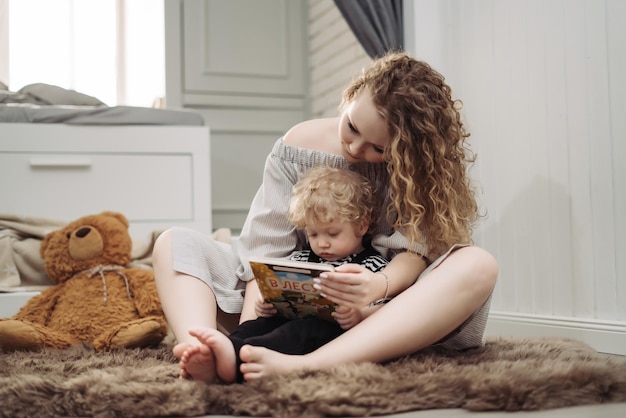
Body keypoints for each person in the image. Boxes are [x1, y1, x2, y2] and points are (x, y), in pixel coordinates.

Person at [152, 51, 498, 383]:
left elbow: (414, 254)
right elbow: (265, 249)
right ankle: (204, 350)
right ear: (351, 95)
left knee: (478, 264)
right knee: (174, 243)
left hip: (384, 309)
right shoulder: (298, 145)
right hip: (286, 303)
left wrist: (376, 287)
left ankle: (310, 364)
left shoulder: (415, 171)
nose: (356, 149)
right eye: (352, 126)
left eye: (379, 149)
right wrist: (252, 327)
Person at [181, 165, 390, 383]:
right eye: (313, 234)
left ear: (362, 225)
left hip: (332, 334)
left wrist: (359, 315)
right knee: (256, 325)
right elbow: (277, 295)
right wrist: (266, 305)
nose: (322, 243)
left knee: (300, 330)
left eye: (333, 233)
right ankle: (226, 349)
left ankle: (233, 358)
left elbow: (388, 309)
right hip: (288, 319)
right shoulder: (299, 260)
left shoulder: (373, 266)